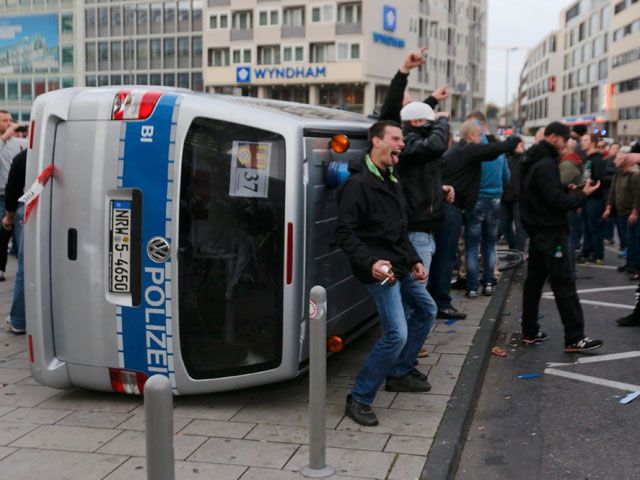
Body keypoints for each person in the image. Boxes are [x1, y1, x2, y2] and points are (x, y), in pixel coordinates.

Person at [335, 120, 436, 426]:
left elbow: (398, 229)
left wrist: (415, 259)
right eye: (395, 138)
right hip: (379, 270)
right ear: (377, 142)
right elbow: (345, 234)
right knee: (396, 333)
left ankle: (400, 372)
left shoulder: (392, 179)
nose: (401, 144)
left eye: (402, 139)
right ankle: (359, 397)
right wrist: (372, 264)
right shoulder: (357, 185)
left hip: (400, 264)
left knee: (427, 310)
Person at [519, 122, 603, 353]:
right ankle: (574, 337)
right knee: (563, 282)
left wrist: (567, 191)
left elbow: (544, 195)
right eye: (565, 140)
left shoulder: (532, 160)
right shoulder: (546, 164)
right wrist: (582, 196)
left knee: (534, 282)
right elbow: (556, 203)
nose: (566, 145)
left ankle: (529, 329)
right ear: (554, 137)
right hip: (551, 230)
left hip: (537, 230)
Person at [428, 121, 521, 318]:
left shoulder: (457, 150)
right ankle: (442, 303)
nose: (482, 140)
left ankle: (437, 300)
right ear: (471, 136)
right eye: (480, 135)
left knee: (445, 256)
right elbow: (493, 150)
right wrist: (512, 141)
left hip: (449, 207)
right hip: (451, 209)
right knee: (446, 258)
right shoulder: (467, 149)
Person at [463, 111, 511, 298]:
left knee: (472, 246)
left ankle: (473, 286)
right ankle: (489, 283)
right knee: (490, 245)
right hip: (495, 201)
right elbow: (507, 177)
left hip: (475, 201)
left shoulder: (472, 152)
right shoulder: (497, 153)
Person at [378, 48, 450, 124]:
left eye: (411, 103)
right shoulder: (390, 126)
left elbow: (417, 112)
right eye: (407, 105)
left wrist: (434, 98)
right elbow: (392, 102)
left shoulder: (410, 129)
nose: (412, 107)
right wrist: (404, 69)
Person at [0, 110, 27, 282]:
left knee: (21, 233)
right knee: (0, 233)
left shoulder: (20, 142)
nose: (9, 123)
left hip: (18, 195)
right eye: (4, 120)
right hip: (0, 194)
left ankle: (24, 266)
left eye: (10, 120)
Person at [578, 133, 612, 264]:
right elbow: (586, 178)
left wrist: (590, 183)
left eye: (585, 140)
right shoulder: (588, 159)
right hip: (587, 198)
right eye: (582, 140)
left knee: (596, 227)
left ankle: (598, 255)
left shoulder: (597, 160)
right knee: (587, 227)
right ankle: (587, 252)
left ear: (593, 143)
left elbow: (599, 180)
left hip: (596, 199)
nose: (582, 142)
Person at [603, 154, 640, 275]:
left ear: (627, 161)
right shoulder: (617, 174)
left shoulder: (634, 176)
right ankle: (629, 263)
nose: (616, 161)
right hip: (621, 211)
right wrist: (608, 207)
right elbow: (613, 191)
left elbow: (638, 196)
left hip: (631, 212)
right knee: (626, 239)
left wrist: (635, 212)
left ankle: (634, 265)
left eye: (619, 159)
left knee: (633, 239)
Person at [2, 149, 26, 334]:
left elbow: (13, 190)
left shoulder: (22, 157)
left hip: (27, 210)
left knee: (25, 268)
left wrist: (8, 217)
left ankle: (18, 319)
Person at [501, 140, 527, 252]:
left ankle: (520, 251)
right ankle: (513, 248)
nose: (521, 147)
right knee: (505, 226)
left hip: (519, 198)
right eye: (519, 145)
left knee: (519, 226)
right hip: (505, 197)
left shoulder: (525, 159)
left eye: (522, 145)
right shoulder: (505, 158)